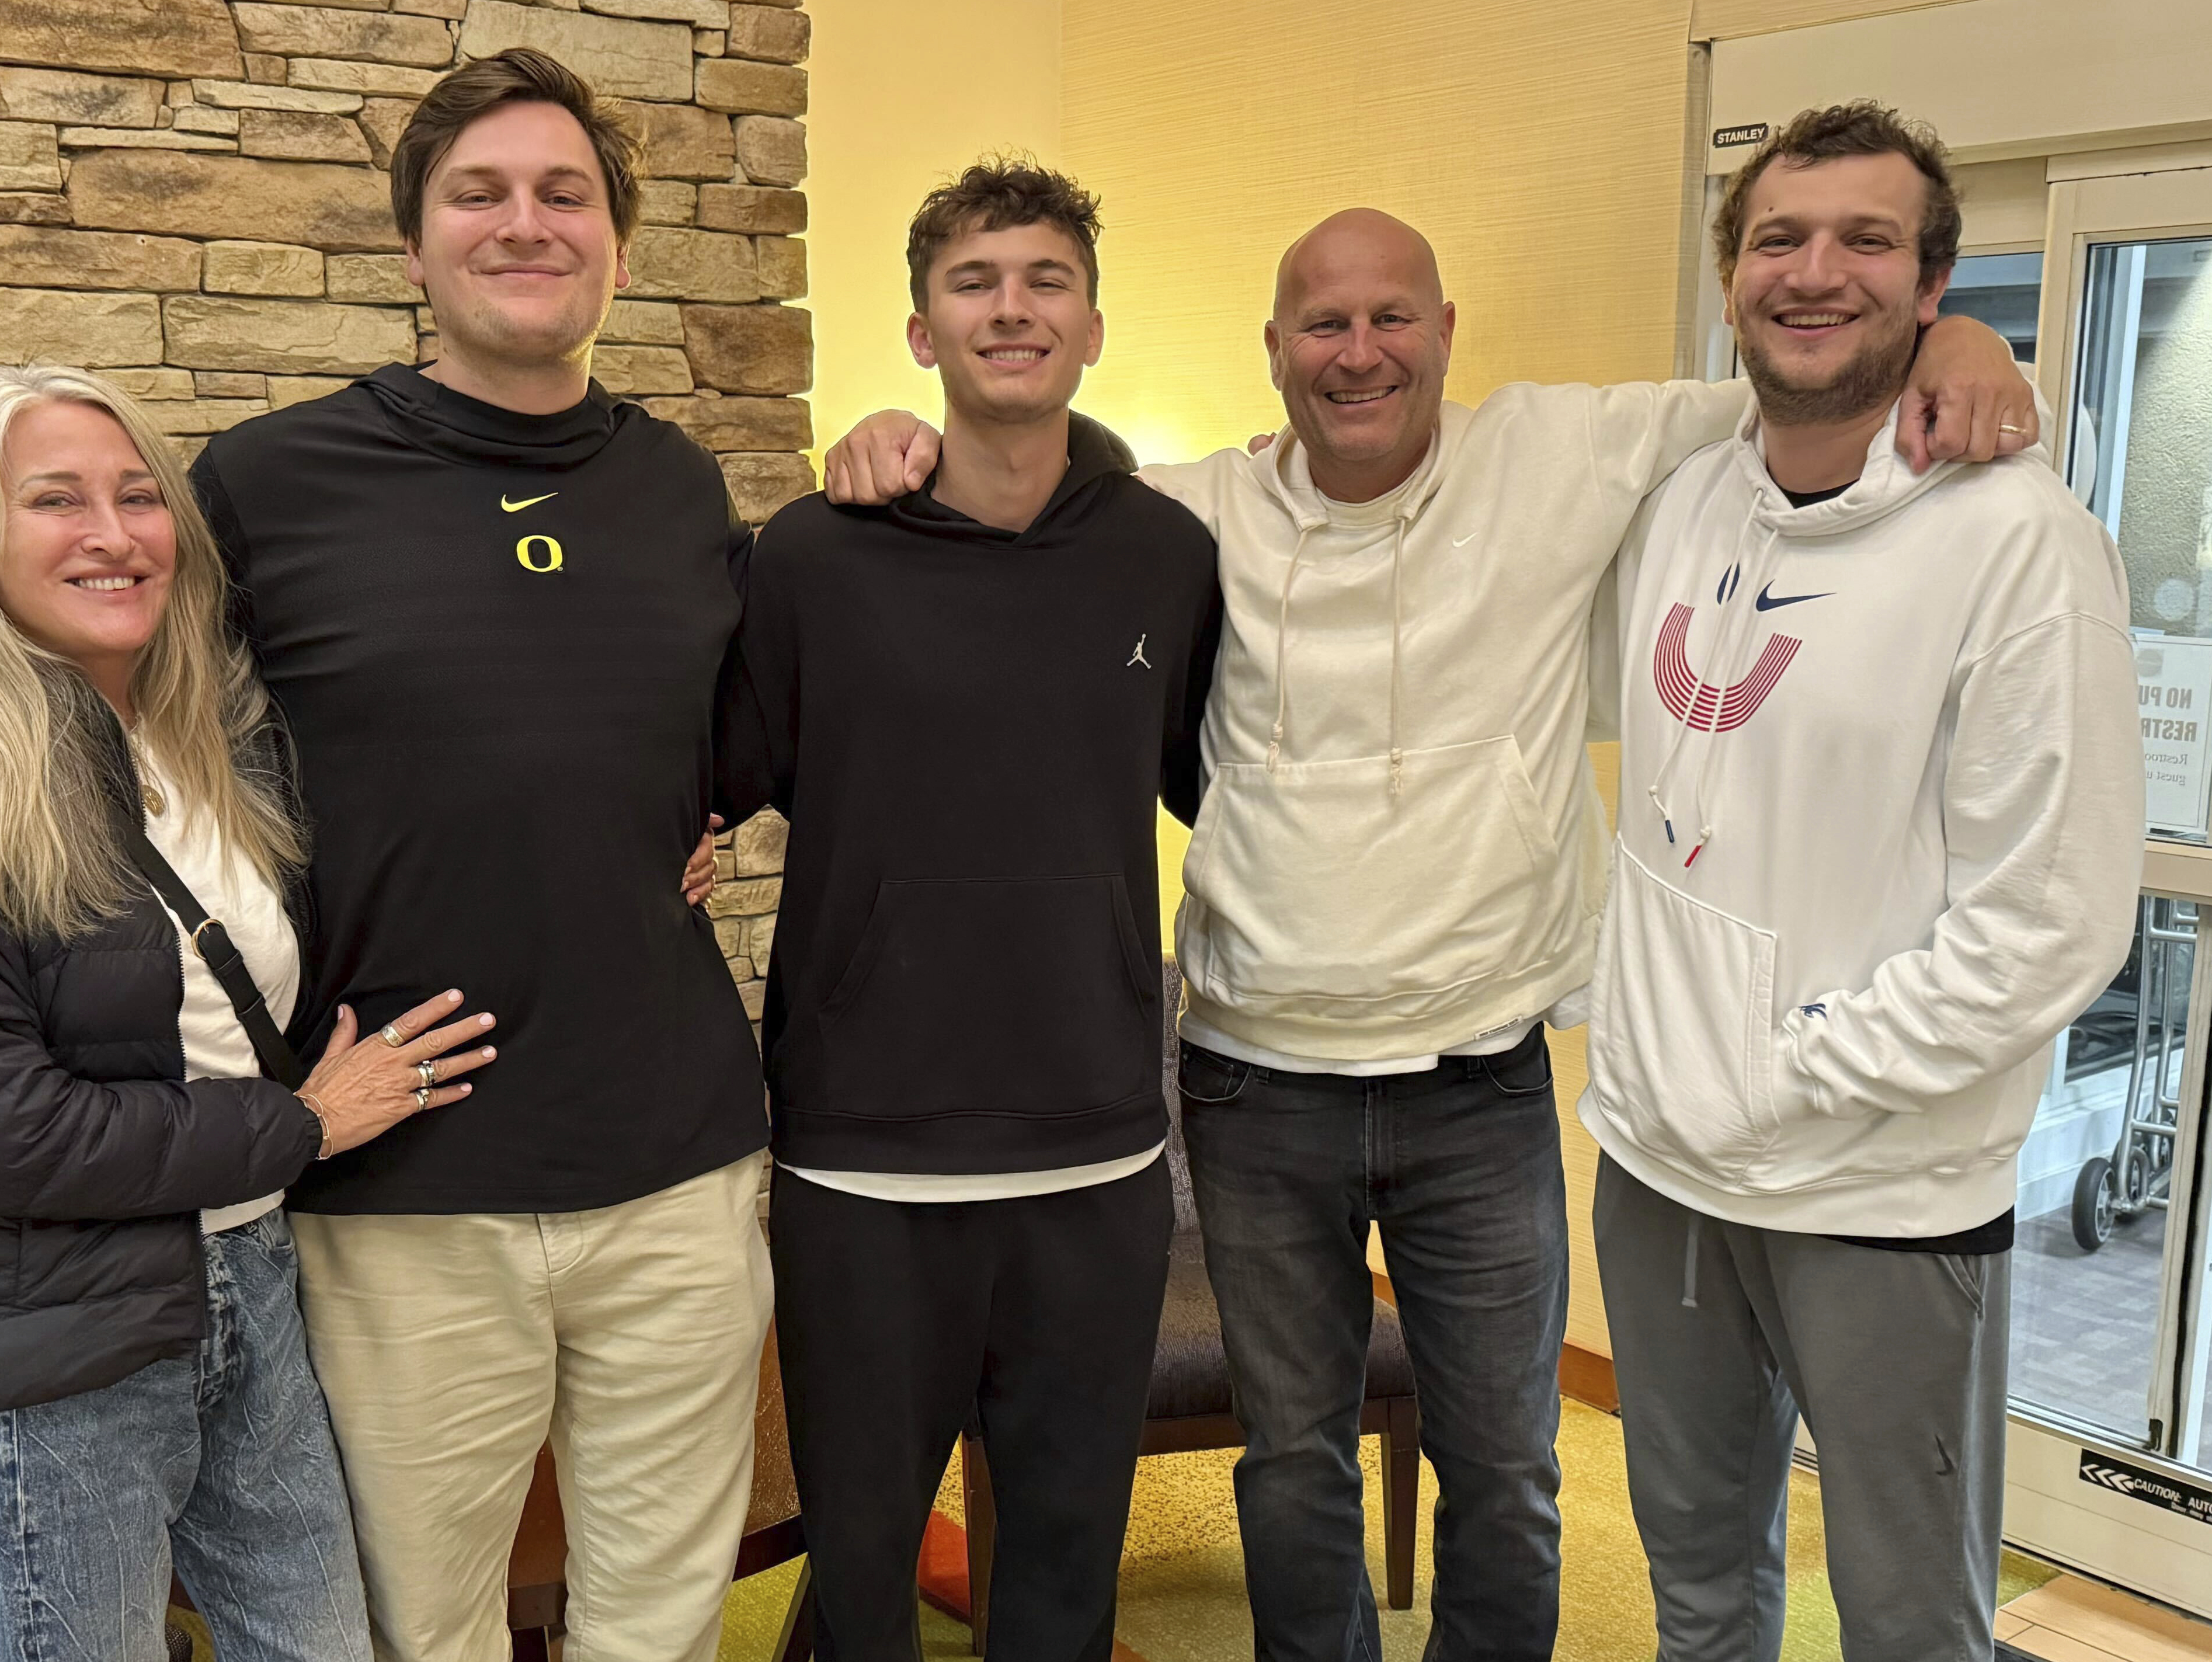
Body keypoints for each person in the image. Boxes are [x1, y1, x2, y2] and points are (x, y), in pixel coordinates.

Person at [823, 218, 2035, 1658]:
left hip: (1481, 1087)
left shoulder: (1554, 455)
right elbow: (1008, 479)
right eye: (1321, 326)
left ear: (1446, 329)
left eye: (1389, 318)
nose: (1358, 353)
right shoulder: (1184, 513)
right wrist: (891, 436)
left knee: (1511, 1469)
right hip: (1254, 1086)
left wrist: (1958, 338)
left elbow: (1801, 378)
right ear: (1271, 350)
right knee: (1290, 1469)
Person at [0, 50, 767, 1662]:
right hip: (397, 1181)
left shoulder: (679, 482)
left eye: (562, 193)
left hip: (682, 1160)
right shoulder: (265, 480)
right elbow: (53, 596)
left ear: (618, 248)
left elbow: (715, 744)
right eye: (480, 194)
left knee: (663, 1616)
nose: (525, 223)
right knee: (409, 1628)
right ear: (413, 246)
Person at [0, 365, 496, 1662]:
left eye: (136, 495)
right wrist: (303, 1125)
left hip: (250, 1275)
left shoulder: (210, 723)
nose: (112, 534)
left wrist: (688, 826)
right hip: (44, 1344)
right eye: (54, 499)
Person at [1583, 102, 2142, 1662]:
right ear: (1726, 270)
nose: (1811, 273)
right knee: (1695, 1585)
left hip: (1877, 1191)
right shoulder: (1686, 492)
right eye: (1776, 237)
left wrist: (1782, 1072)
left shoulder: (2020, 547)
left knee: (1906, 1619)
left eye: (1866, 242)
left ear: (1930, 280)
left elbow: (2048, 922)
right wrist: (1669, 1073)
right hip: (1657, 1164)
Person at [715, 159, 1220, 1661]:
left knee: (1065, 1561)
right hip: (864, 1162)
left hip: (1097, 1147)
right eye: (974, 284)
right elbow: (712, 781)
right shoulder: (811, 555)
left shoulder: (1166, 555)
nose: (1013, 309)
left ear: (1091, 324)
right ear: (923, 331)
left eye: (1044, 280)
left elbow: (1225, 789)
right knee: (860, 1563)